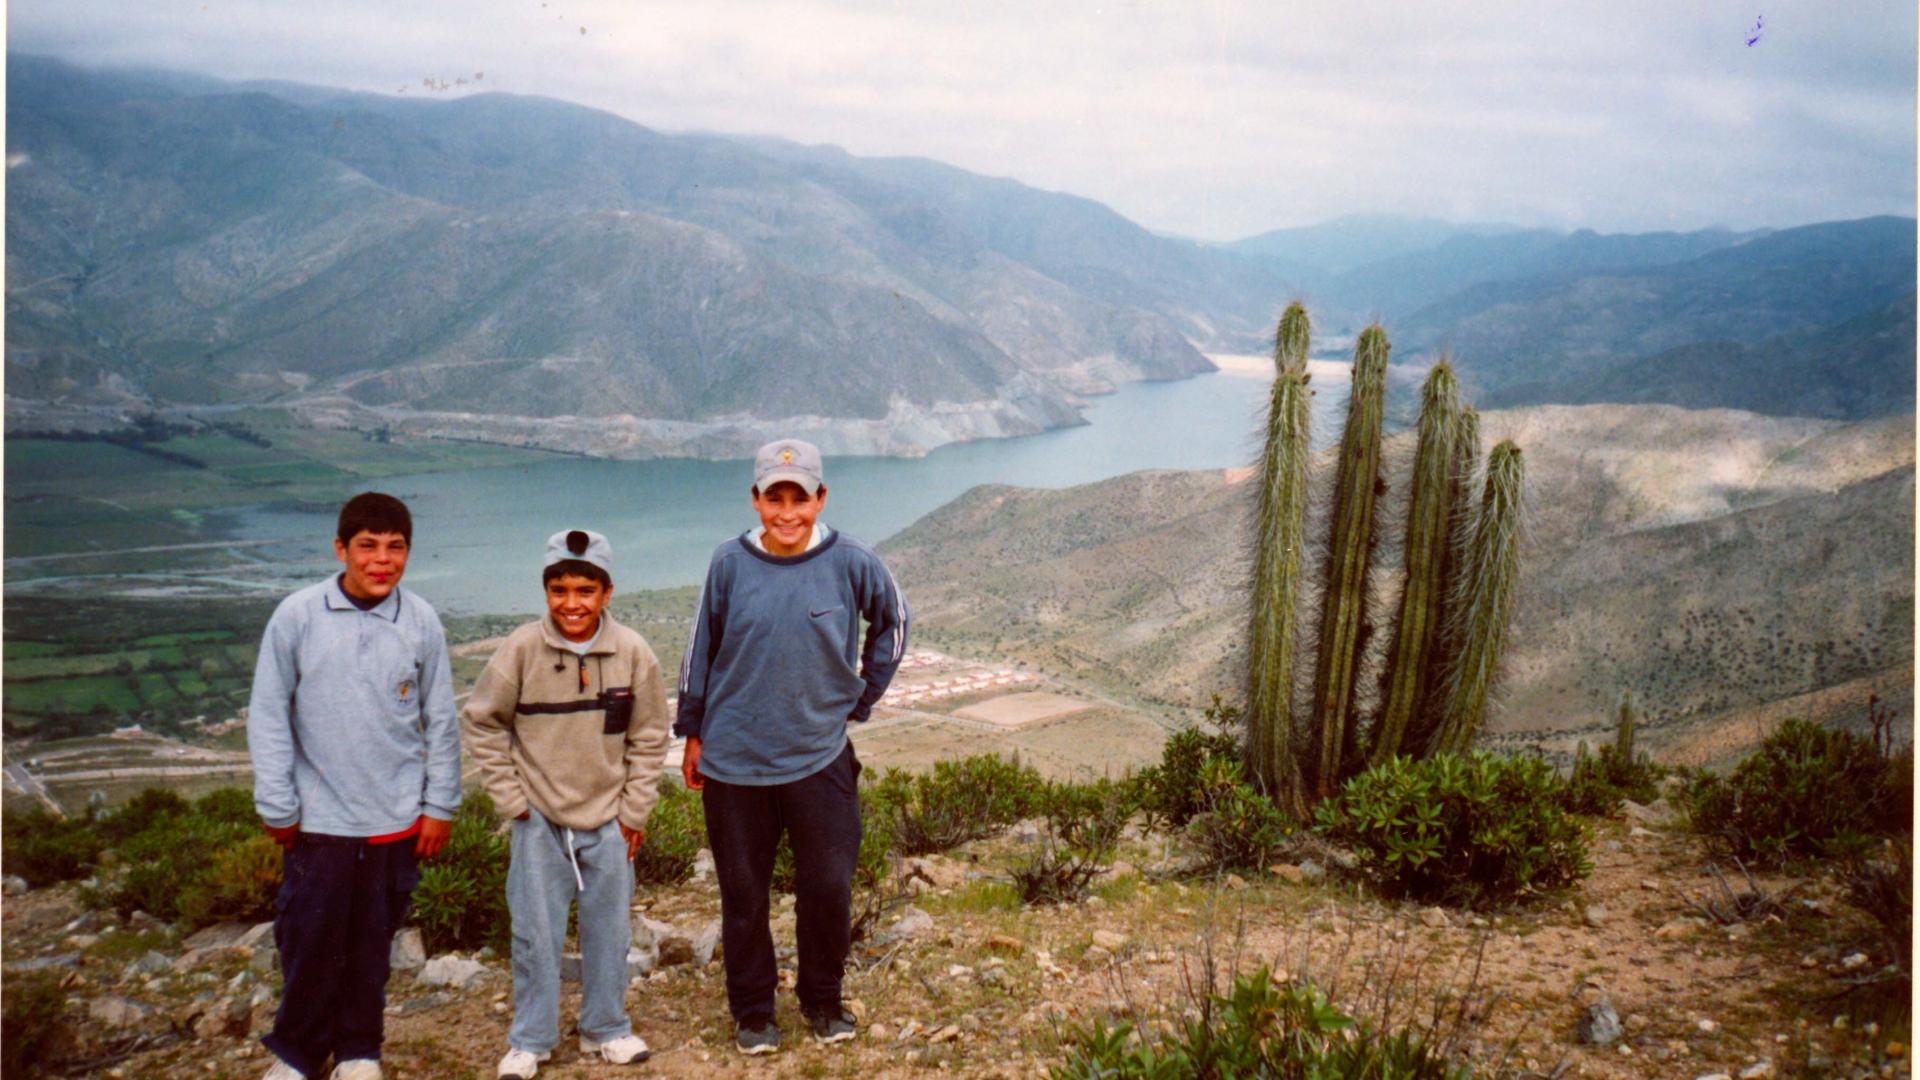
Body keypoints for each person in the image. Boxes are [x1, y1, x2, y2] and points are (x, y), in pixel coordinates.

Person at [675, 437, 909, 1054]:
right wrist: (693, 732)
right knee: (744, 896)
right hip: (734, 760)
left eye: (798, 499)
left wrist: (863, 696)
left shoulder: (852, 560)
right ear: (755, 500)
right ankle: (754, 1013)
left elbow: (895, 621)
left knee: (829, 885)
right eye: (773, 498)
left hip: (819, 757)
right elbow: (700, 649)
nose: (786, 513)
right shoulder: (728, 563)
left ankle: (823, 1001)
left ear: (820, 498)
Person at [248, 493, 461, 1080]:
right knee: (310, 941)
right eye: (367, 546)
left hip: (396, 820)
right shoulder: (298, 615)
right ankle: (297, 1052)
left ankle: (360, 1050)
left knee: (372, 944)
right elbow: (268, 713)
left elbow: (440, 720)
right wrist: (277, 802)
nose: (381, 560)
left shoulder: (420, 620)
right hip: (320, 823)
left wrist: (439, 804)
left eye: (395, 547)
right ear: (341, 548)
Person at [463, 529, 671, 1079]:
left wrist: (634, 812)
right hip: (539, 821)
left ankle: (607, 1027)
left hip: (608, 820)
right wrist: (512, 800)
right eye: (559, 589)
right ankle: (531, 1038)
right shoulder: (522, 650)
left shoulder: (632, 653)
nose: (571, 603)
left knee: (610, 930)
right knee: (536, 933)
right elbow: (483, 721)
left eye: (585, 590)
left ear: (607, 592)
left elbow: (650, 737)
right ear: (546, 591)